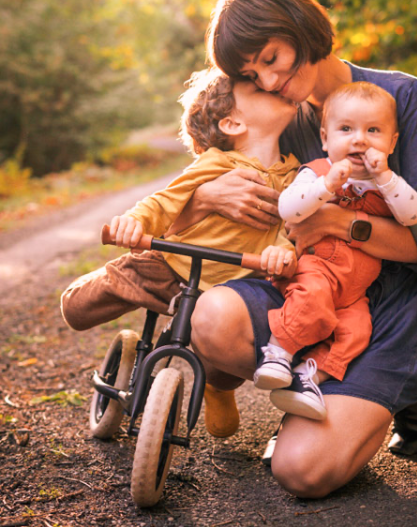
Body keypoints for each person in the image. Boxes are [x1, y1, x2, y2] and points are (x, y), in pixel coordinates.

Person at [171, 0, 417, 498]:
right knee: (209, 319)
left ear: (298, 27)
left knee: (300, 472)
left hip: (393, 302)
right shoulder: (280, 116)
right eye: (250, 72)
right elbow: (202, 175)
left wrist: (337, 223)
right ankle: (319, 381)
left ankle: (389, 387)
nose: (266, 80)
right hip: (309, 284)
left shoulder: (400, 96)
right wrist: (205, 198)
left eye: (270, 57)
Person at [60, 67, 300, 437]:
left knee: (221, 358)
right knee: (79, 307)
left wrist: (282, 253)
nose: (274, 87)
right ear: (233, 122)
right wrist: (134, 221)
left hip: (228, 288)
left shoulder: (296, 175)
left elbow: (290, 230)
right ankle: (96, 304)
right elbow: (164, 202)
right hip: (171, 265)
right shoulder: (217, 163)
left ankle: (215, 388)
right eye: (259, 91)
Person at [254, 82, 417, 423]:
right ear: (325, 138)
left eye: (373, 130)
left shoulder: (389, 185)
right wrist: (328, 185)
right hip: (316, 269)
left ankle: (307, 377)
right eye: (346, 129)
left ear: (391, 142)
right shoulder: (316, 172)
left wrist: (386, 177)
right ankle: (278, 352)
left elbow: (412, 215)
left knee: (358, 332)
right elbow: (289, 209)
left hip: (354, 292)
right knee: (312, 298)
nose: (359, 140)